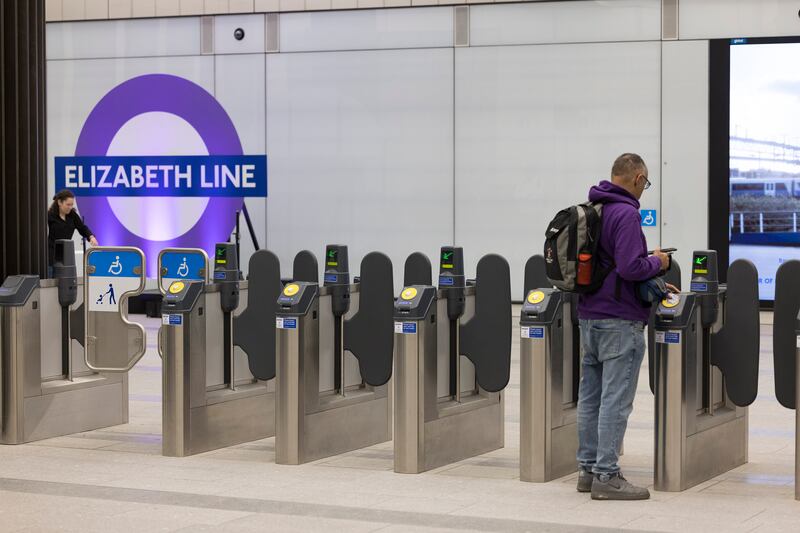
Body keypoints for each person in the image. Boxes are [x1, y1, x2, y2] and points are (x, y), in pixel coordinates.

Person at [575, 153, 675, 501]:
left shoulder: (595, 208)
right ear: (637, 178)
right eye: (645, 183)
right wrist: (659, 261)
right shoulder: (626, 213)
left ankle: (587, 470)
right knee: (616, 401)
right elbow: (631, 268)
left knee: (590, 398)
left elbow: (613, 265)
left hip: (588, 317)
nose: (644, 189)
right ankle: (607, 475)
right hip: (620, 320)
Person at [47, 190, 98, 277]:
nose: (70, 207)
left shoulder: (72, 215)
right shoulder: (49, 215)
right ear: (59, 202)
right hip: (50, 255)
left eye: (71, 205)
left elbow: (82, 228)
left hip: (66, 255)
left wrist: (91, 236)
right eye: (68, 204)